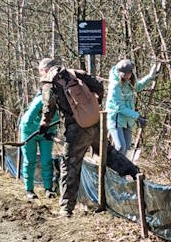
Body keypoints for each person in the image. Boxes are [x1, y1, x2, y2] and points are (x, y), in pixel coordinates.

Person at [37, 58, 140, 217]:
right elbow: (98, 86)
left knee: (70, 165)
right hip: (96, 122)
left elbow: (48, 105)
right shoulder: (74, 73)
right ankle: (135, 174)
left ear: (45, 70)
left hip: (76, 129)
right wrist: (94, 104)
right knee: (108, 153)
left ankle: (66, 208)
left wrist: (44, 124)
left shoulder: (50, 82)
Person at [105, 59, 161, 154]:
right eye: (125, 74)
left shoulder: (129, 82)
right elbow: (119, 107)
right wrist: (137, 116)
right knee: (120, 147)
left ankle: (121, 168)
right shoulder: (115, 86)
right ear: (120, 73)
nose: (127, 76)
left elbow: (138, 87)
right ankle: (111, 167)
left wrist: (150, 77)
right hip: (116, 119)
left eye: (129, 73)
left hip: (127, 120)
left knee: (126, 148)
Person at [18, 91, 60, 200]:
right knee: (30, 160)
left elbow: (58, 120)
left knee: (46, 160)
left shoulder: (62, 103)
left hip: (47, 131)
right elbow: (27, 120)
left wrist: (50, 131)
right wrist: (39, 130)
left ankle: (48, 189)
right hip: (29, 130)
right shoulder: (40, 100)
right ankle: (29, 190)